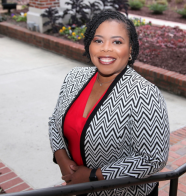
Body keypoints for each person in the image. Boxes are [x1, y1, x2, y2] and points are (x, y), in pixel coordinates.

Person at [49, 10, 170, 196]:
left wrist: (93, 176)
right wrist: (61, 157)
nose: (106, 48)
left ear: (130, 49)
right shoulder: (74, 77)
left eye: (117, 42)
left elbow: (153, 158)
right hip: (78, 188)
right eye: (98, 40)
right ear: (89, 44)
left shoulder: (144, 93)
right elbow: (54, 123)